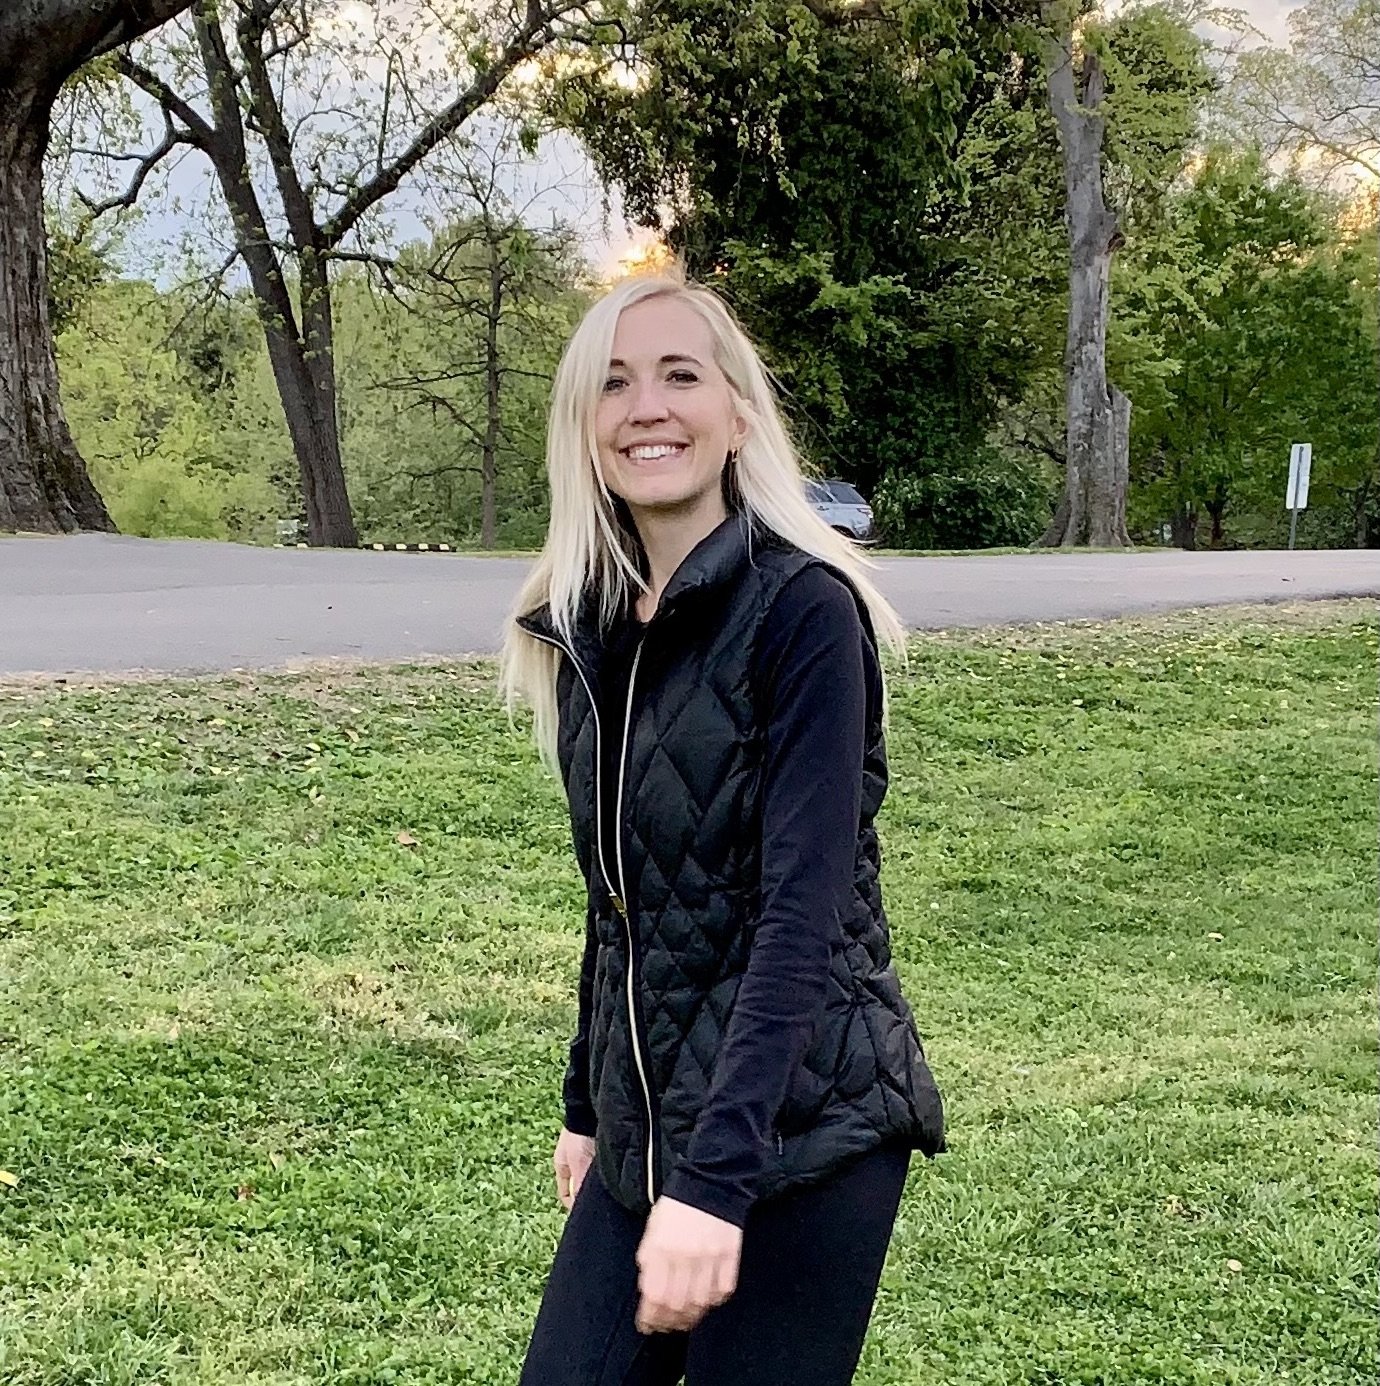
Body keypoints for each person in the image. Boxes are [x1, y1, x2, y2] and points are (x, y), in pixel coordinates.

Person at [500, 268, 945, 1386]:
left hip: (803, 1135)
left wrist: (712, 1186)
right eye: (614, 384)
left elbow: (801, 917)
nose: (646, 407)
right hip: (649, 1133)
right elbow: (623, 902)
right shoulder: (592, 629)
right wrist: (589, 1105)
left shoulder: (804, 612)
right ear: (584, 428)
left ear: (737, 415)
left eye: (679, 376)